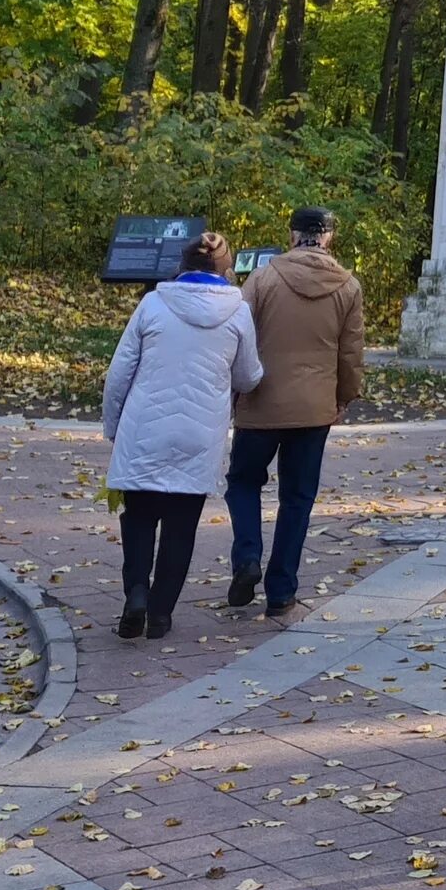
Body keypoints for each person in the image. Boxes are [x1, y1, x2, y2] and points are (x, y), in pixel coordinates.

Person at [99, 231, 261, 639]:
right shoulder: (239, 312)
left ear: (183, 265)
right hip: (199, 433)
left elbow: (119, 373)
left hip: (144, 428)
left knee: (137, 518)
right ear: (225, 270)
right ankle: (162, 613)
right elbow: (247, 375)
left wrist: (114, 427)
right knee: (181, 527)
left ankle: (136, 592)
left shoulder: (153, 303)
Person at [228, 205, 365, 616]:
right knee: (298, 498)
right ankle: (282, 590)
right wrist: (343, 397)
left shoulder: (263, 278)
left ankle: (248, 556)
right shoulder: (348, 286)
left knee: (243, 482)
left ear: (292, 235)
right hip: (314, 408)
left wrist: (236, 389)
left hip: (261, 403)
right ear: (329, 237)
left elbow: (240, 335)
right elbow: (351, 353)